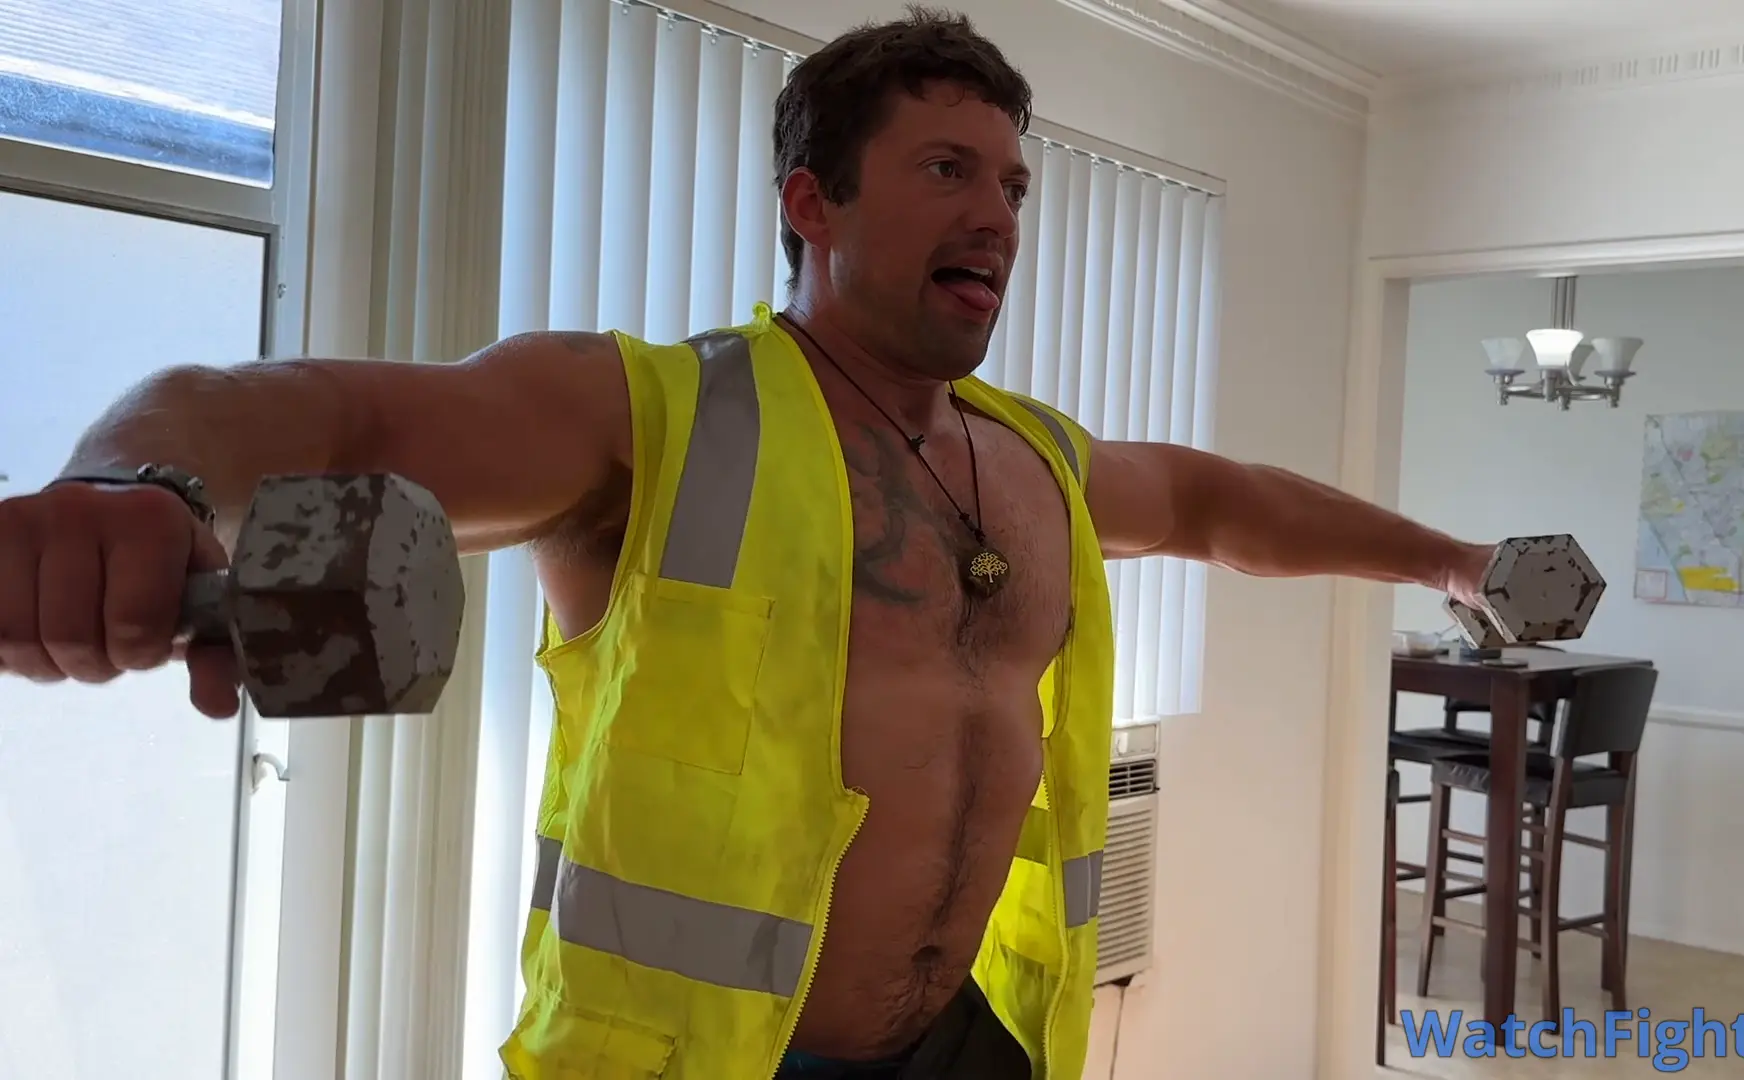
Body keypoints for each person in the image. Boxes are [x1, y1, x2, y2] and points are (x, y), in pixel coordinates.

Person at [0, 8, 1496, 1079]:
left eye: (1013, 183)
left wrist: (1453, 566)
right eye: (947, 170)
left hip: (973, 1038)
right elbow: (331, 415)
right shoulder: (650, 416)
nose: (998, 213)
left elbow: (1229, 504)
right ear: (810, 204)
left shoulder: (1038, 459)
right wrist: (136, 482)